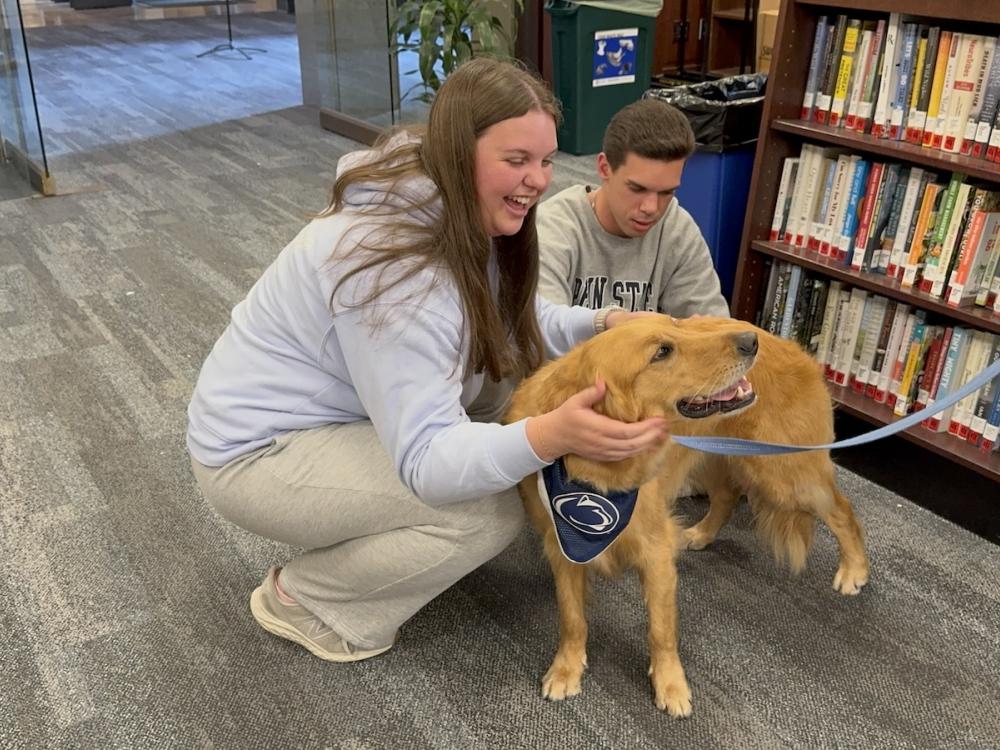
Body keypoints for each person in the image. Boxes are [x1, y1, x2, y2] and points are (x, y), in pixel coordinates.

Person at [186, 58, 669, 664]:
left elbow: (514, 322)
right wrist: (548, 436)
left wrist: (598, 324)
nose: (539, 180)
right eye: (516, 160)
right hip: (257, 452)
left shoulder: (452, 201)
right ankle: (304, 599)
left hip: (334, 410)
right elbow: (429, 464)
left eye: (545, 160)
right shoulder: (393, 271)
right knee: (484, 515)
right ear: (458, 151)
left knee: (505, 394)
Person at [536, 98, 730, 318]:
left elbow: (714, 331)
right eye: (637, 188)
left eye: (667, 192)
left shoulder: (676, 229)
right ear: (604, 168)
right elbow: (543, 332)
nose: (651, 208)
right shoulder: (554, 228)